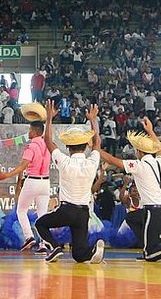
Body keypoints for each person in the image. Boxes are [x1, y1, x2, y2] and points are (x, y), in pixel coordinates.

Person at [99, 118, 161, 262]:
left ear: (138, 152)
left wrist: (96, 149)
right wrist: (150, 131)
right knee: (132, 217)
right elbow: (160, 149)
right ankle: (157, 246)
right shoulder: (160, 162)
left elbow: (113, 161)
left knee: (150, 255)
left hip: (153, 210)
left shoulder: (139, 165)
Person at [35, 100, 105, 263]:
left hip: (66, 210)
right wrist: (93, 120)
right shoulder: (91, 162)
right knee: (78, 254)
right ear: (85, 147)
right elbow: (97, 143)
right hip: (83, 213)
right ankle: (92, 251)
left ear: (68, 147)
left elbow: (48, 141)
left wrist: (50, 118)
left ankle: (55, 247)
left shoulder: (65, 161)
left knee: (40, 224)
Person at [0, 103, 50, 253]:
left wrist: (6, 175)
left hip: (32, 180)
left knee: (21, 210)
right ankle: (44, 244)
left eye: (30, 130)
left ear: (34, 131)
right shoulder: (47, 144)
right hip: (45, 182)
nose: (28, 132)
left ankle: (29, 237)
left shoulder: (31, 146)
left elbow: (22, 167)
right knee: (42, 214)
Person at [118, 176, 143, 246]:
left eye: (137, 191)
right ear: (130, 193)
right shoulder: (129, 201)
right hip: (129, 225)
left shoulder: (142, 201)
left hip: (139, 224)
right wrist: (125, 184)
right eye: (134, 191)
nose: (136, 193)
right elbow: (121, 198)